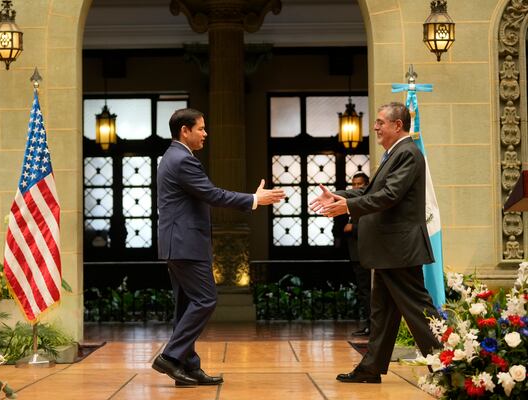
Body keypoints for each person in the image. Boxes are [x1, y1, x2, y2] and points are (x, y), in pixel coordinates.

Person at [152, 108, 285, 387]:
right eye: (200, 128)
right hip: (186, 244)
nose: (205, 133)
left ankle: (188, 367)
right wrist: (253, 199)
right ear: (184, 131)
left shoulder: (172, 157)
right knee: (205, 299)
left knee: (187, 305)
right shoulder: (182, 160)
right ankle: (170, 356)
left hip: (177, 244)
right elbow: (212, 194)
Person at [310, 102, 441, 384]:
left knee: (419, 310)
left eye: (381, 122)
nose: (376, 127)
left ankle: (446, 361)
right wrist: (336, 196)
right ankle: (371, 367)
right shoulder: (394, 153)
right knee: (381, 312)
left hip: (399, 249)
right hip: (388, 250)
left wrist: (347, 206)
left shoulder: (408, 153)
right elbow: (372, 190)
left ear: (397, 125)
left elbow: (389, 195)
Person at [344, 171, 371, 337]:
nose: (355, 187)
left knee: (368, 292)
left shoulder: (367, 203)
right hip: (356, 254)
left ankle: (372, 326)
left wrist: (352, 228)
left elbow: (371, 225)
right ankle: (368, 324)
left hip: (365, 255)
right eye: (353, 184)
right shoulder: (354, 203)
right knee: (363, 292)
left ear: (366, 185)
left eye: (359, 184)